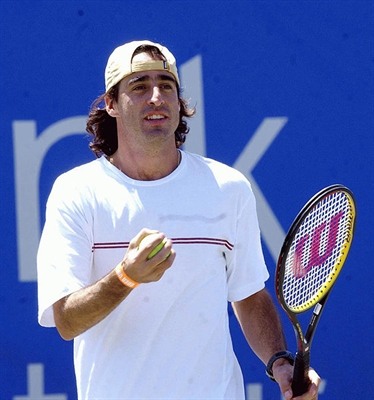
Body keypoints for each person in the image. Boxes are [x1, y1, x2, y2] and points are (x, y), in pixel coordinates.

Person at [37, 40, 320, 400]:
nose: (156, 96)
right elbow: (66, 320)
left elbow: (248, 295)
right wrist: (126, 277)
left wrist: (280, 362)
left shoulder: (228, 188)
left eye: (166, 85)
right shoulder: (76, 192)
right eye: (139, 86)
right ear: (111, 104)